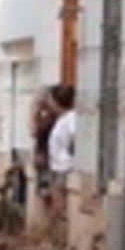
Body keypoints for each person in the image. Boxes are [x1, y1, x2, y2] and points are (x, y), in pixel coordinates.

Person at [47, 83, 77, 239]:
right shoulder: (61, 119)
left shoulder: (71, 118)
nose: (48, 102)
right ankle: (56, 238)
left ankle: (59, 238)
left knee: (59, 207)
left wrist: (71, 153)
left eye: (50, 99)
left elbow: (76, 136)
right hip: (58, 166)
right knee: (56, 204)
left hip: (64, 166)